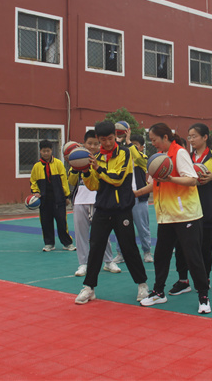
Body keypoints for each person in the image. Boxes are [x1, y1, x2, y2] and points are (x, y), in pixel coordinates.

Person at [135, 123, 211, 314]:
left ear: (165, 137)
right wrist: (136, 193)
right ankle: (158, 292)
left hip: (186, 215)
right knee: (161, 256)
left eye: (154, 140)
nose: (152, 143)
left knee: (193, 257)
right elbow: (154, 184)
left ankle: (203, 297)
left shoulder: (179, 153)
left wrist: (171, 179)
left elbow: (192, 179)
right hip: (166, 216)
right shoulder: (158, 158)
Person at [74, 121, 149, 305]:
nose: (107, 143)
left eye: (110, 138)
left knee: (129, 248)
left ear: (115, 136)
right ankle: (89, 288)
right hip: (102, 208)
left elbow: (117, 179)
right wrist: (85, 171)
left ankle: (142, 284)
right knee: (96, 248)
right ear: (98, 139)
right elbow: (94, 186)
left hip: (122, 209)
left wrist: (98, 168)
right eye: (103, 140)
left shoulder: (125, 153)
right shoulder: (96, 157)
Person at [169, 123, 212, 296]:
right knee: (181, 246)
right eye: (189, 136)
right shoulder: (186, 157)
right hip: (187, 208)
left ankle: (205, 279)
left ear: (205, 137)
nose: (191, 140)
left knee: (204, 247)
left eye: (194, 136)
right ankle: (183, 280)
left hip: (208, 208)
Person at [68, 130, 119, 276]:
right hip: (80, 201)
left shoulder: (102, 159)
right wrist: (75, 168)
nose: (92, 146)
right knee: (81, 234)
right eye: (89, 143)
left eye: (96, 144)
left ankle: (108, 261)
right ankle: (83, 264)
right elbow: (71, 181)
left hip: (99, 201)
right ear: (84, 144)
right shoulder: (77, 159)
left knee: (103, 233)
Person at [113, 130, 154, 264]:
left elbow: (136, 157)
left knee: (143, 227)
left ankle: (147, 251)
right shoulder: (121, 159)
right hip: (123, 198)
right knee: (121, 227)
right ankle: (120, 253)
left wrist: (129, 142)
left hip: (139, 198)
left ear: (141, 147)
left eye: (136, 145)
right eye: (130, 144)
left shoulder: (143, 159)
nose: (132, 147)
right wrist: (118, 142)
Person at [30, 139, 75, 252]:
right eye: (43, 151)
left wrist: (66, 196)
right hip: (44, 200)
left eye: (48, 151)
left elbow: (64, 180)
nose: (46, 153)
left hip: (58, 200)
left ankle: (67, 243)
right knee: (45, 222)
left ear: (52, 150)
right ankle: (49, 243)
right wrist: (35, 192)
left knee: (62, 222)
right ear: (40, 151)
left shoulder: (58, 164)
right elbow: (33, 181)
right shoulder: (36, 166)